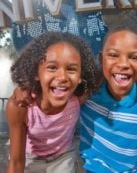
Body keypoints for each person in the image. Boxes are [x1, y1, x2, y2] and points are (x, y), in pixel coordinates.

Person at [7, 32, 100, 173]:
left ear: (81, 76)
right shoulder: (22, 106)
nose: (62, 77)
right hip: (30, 159)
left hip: (63, 158)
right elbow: (16, 162)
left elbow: (103, 71)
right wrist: (22, 86)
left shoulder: (77, 99)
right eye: (52, 67)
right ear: (36, 73)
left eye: (71, 69)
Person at [79, 26, 137, 172]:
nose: (124, 64)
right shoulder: (85, 94)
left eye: (133, 57)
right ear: (101, 59)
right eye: (113, 55)